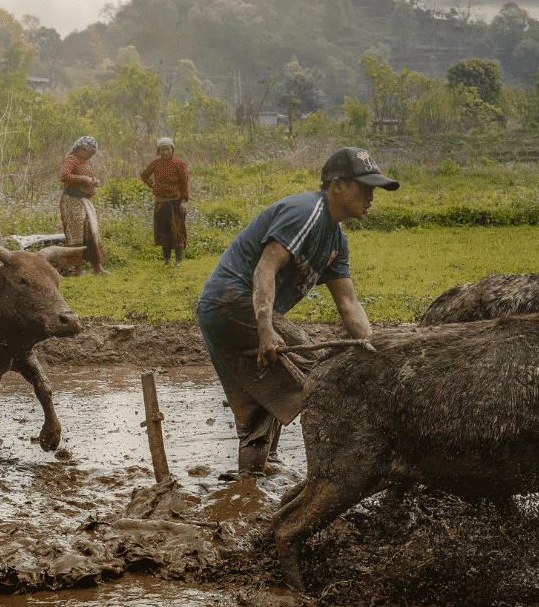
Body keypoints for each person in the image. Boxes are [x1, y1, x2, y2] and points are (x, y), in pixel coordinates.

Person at [196, 146, 399, 478]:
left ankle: (249, 488)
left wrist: (374, 348)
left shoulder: (336, 241)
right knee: (317, 373)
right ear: (336, 185)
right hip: (230, 302)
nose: (370, 197)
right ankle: (343, 469)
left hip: (223, 312)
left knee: (261, 405)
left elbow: (348, 303)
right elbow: (264, 270)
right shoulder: (307, 212)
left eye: (373, 189)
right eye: (363, 188)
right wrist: (265, 329)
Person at [57, 135, 106, 276]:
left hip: (85, 201)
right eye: (87, 152)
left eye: (91, 153)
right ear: (80, 148)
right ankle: (76, 269)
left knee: (92, 231)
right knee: (76, 233)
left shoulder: (87, 162)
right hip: (72, 200)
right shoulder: (71, 158)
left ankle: (98, 267)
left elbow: (88, 177)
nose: (89, 155)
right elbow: (63, 176)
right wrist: (83, 179)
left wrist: (93, 181)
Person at [139, 136, 190, 267]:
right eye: (162, 150)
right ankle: (166, 260)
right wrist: (152, 185)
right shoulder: (155, 164)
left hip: (176, 202)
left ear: (172, 149)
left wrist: (184, 201)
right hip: (161, 203)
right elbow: (144, 175)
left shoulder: (180, 164)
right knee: (164, 231)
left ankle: (178, 261)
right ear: (158, 151)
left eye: (168, 149)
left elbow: (185, 183)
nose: (165, 152)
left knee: (178, 230)